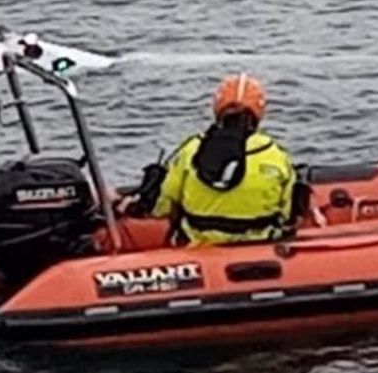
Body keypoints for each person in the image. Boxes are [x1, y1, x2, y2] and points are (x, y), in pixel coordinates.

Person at [124, 73, 296, 246]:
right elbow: (288, 213)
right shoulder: (275, 156)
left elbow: (162, 206)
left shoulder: (191, 150)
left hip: (198, 248)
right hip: (258, 248)